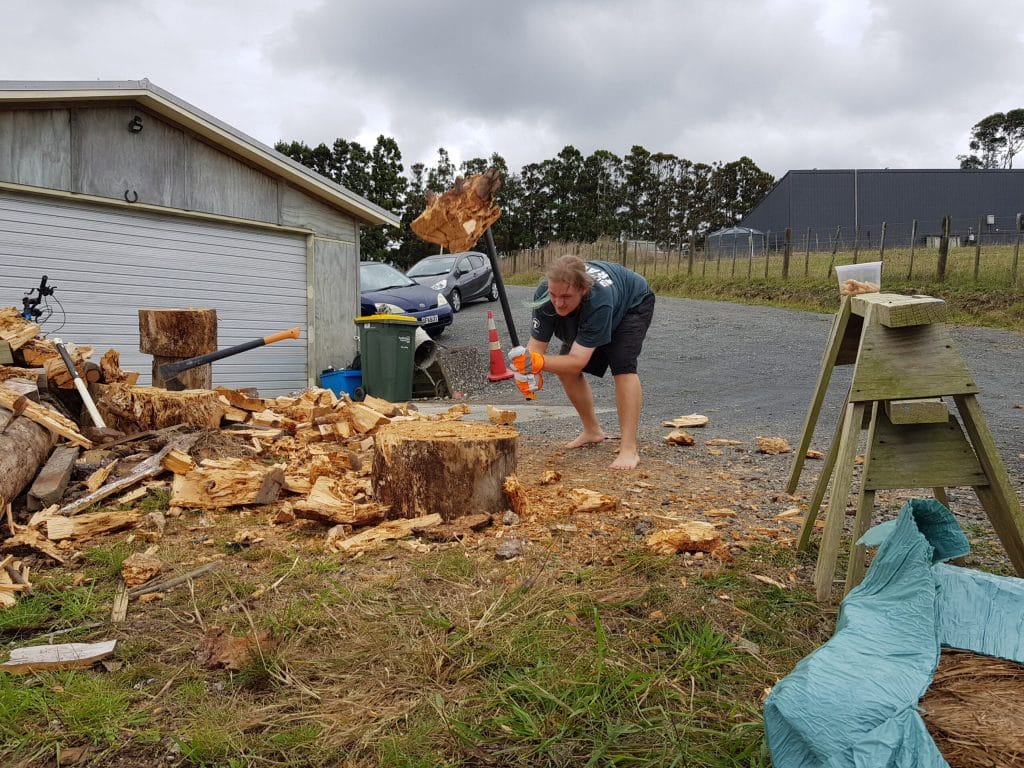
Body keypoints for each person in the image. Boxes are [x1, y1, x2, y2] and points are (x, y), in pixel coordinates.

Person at [509, 254, 655, 470]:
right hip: (590, 307)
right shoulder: (544, 295)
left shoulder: (599, 300)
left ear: (583, 290)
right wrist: (525, 372)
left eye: (565, 296)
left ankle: (628, 448)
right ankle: (592, 431)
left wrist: (538, 363)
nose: (557, 302)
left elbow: (577, 361)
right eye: (553, 294)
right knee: (564, 370)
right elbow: (535, 349)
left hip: (632, 304)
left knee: (623, 367)